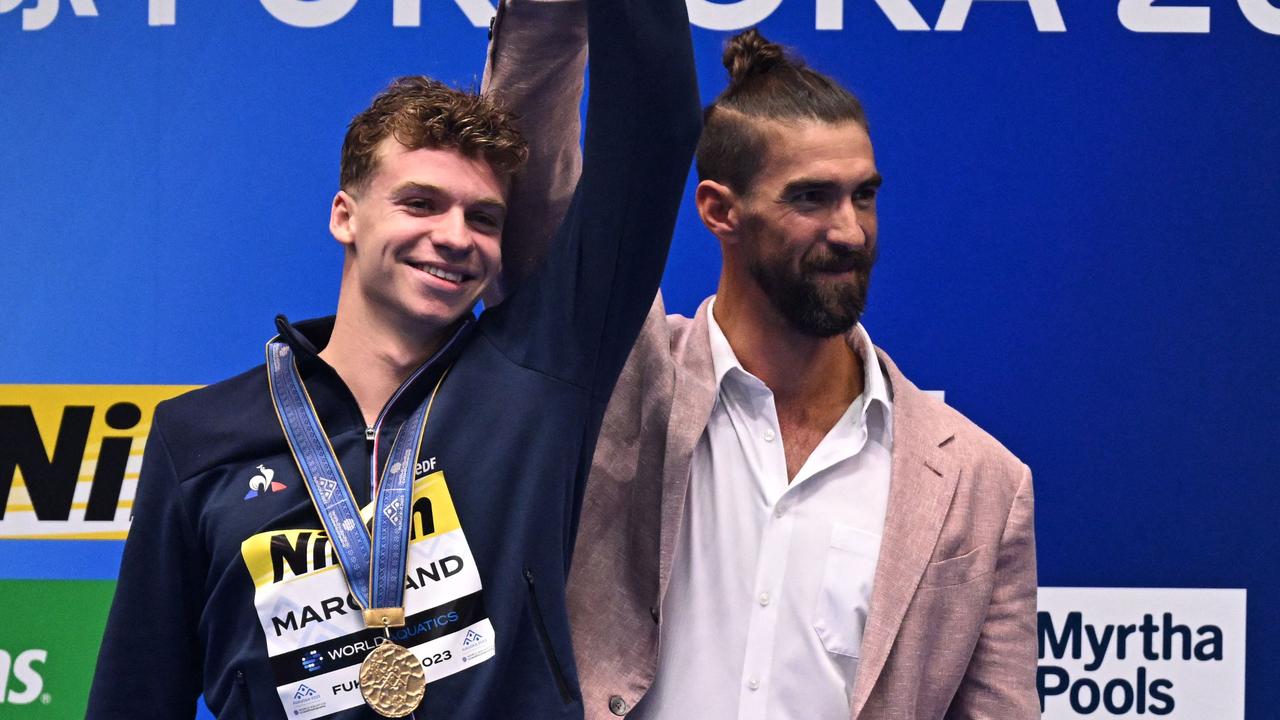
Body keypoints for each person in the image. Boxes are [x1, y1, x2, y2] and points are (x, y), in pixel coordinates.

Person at [85, 0, 701, 715]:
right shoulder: (198, 435)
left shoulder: (542, 377)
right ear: (344, 214)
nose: (455, 236)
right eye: (420, 203)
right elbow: (134, 694)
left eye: (484, 218)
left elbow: (656, 126)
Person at [486, 22, 1039, 720]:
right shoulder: (621, 380)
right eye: (810, 198)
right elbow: (533, 192)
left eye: (863, 195)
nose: (850, 232)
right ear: (720, 210)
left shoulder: (980, 482)